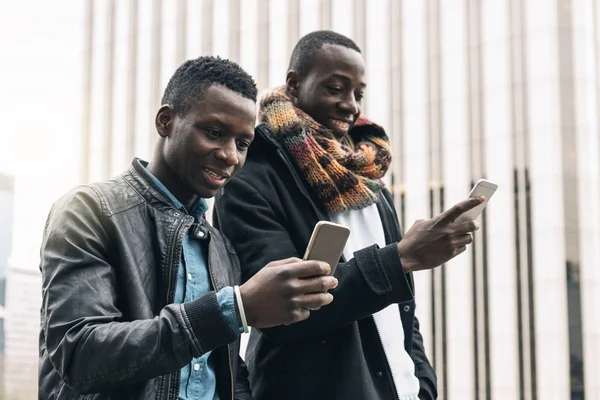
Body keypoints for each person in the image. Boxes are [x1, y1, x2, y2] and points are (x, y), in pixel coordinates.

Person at [38, 56, 338, 400]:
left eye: (243, 144)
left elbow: (225, 369)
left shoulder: (220, 248)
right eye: (214, 132)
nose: (230, 156)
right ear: (166, 122)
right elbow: (79, 355)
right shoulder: (88, 210)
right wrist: (233, 309)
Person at [214, 31, 483, 400]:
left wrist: (422, 384)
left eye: (358, 93)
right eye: (335, 88)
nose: (350, 105)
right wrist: (401, 258)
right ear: (294, 85)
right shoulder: (253, 178)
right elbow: (280, 314)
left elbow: (402, 314)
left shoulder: (370, 181)